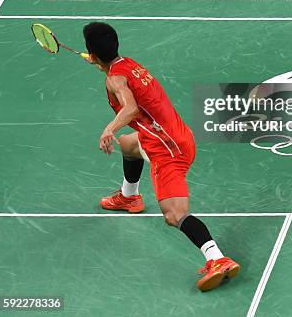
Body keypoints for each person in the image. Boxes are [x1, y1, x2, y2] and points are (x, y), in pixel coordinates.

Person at [83, 22, 240, 292]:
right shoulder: (127, 65)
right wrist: (102, 64)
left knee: (174, 214)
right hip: (178, 135)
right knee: (129, 145)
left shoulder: (115, 79)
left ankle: (217, 258)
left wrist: (108, 129)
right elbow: (122, 80)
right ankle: (129, 197)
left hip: (167, 150)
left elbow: (130, 107)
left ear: (93, 54)